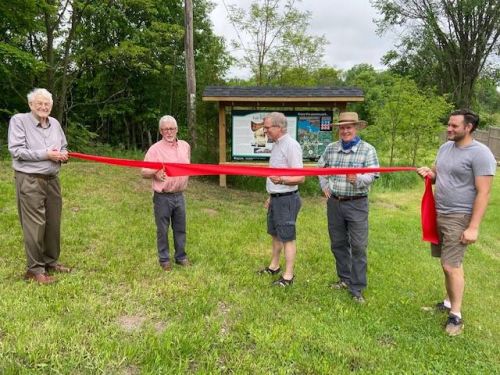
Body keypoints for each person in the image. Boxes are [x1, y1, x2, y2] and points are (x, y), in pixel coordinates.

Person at [417, 109, 496, 336]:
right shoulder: (445, 148)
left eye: (454, 126)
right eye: (448, 125)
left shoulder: (481, 154)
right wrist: (427, 174)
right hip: (439, 212)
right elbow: (436, 174)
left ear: (468, 127)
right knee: (446, 262)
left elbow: (484, 193)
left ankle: (457, 316)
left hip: (459, 216)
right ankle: (449, 302)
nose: (449, 129)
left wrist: (473, 227)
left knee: (451, 265)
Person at [8, 88, 71, 284]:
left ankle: (51, 262)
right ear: (31, 105)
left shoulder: (55, 124)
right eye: (39, 103)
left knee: (53, 223)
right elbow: (17, 151)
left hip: (52, 179)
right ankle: (34, 270)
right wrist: (46, 154)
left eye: (47, 104)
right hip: (30, 179)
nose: (44, 107)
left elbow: (63, 146)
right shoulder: (19, 121)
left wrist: (63, 154)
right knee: (35, 225)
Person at [318, 112, 379, 303]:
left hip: (357, 203)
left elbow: (374, 175)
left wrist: (358, 179)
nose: (345, 131)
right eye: (342, 128)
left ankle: (357, 288)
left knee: (359, 246)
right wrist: (325, 186)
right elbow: (321, 168)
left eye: (349, 127)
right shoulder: (331, 148)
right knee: (338, 243)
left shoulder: (368, 150)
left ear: (356, 128)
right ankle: (344, 279)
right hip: (335, 203)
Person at [258, 112, 304, 286]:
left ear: (279, 127)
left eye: (268, 127)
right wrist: (271, 195)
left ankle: (288, 276)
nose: (265, 130)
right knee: (275, 235)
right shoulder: (277, 144)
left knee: (287, 237)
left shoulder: (291, 146)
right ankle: (274, 266)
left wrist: (283, 180)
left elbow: (301, 177)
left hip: (287, 199)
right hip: (276, 198)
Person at [142, 115, 191, 272]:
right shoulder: (155, 149)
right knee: (162, 229)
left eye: (171, 129)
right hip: (162, 196)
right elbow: (143, 171)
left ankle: (181, 257)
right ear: (161, 131)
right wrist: (155, 172)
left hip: (180, 195)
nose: (169, 132)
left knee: (180, 228)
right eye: (165, 129)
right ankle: (164, 259)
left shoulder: (185, 146)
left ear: (176, 129)